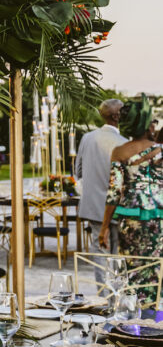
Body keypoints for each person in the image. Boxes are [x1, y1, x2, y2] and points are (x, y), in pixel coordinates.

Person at [99, 96, 163, 303]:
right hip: (159, 219)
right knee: (157, 267)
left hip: (130, 220)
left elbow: (114, 193)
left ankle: (134, 314)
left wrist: (104, 227)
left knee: (132, 268)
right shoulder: (160, 151)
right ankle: (157, 317)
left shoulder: (119, 152)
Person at [75, 98, 125, 255]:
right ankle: (116, 280)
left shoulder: (87, 138)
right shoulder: (124, 143)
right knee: (117, 252)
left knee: (99, 250)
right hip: (118, 206)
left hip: (94, 206)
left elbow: (79, 171)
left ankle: (100, 281)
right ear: (116, 116)